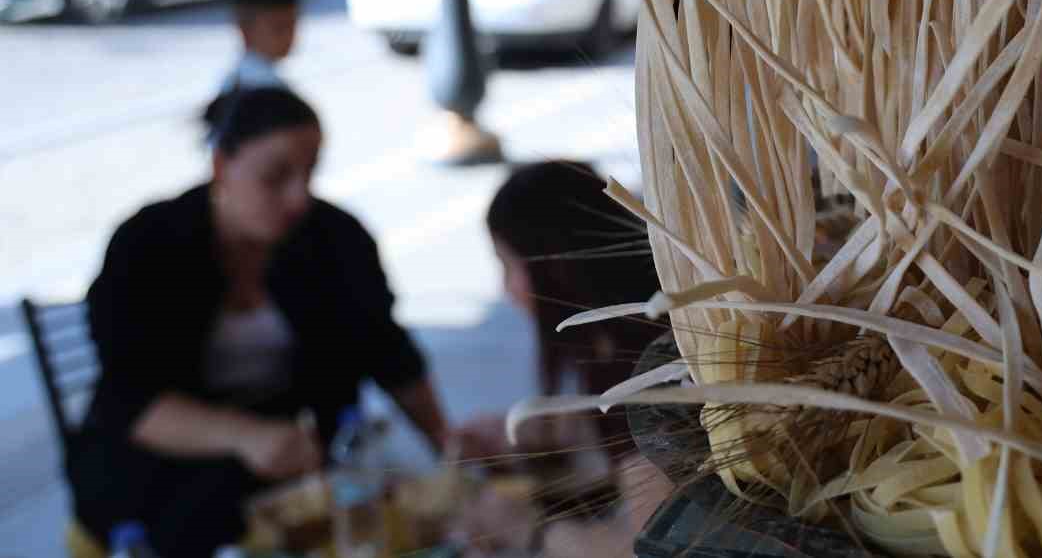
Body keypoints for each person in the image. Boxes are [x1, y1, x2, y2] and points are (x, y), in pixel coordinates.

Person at [70, 87, 453, 558]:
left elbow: (389, 352)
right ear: (220, 166)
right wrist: (243, 435)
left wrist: (447, 446)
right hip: (160, 466)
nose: (299, 198)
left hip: (303, 458)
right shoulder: (149, 244)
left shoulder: (335, 238)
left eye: (310, 174)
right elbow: (129, 400)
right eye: (275, 178)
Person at [450, 161, 672, 556]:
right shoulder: (642, 325)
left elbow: (653, 546)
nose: (506, 290)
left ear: (555, 266)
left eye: (507, 266)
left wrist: (527, 530)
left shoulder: (635, 368)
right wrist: (546, 434)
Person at [221, 0, 298, 92]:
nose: (288, 35)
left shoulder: (232, 85)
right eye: (279, 28)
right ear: (246, 29)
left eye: (292, 26)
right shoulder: (267, 92)